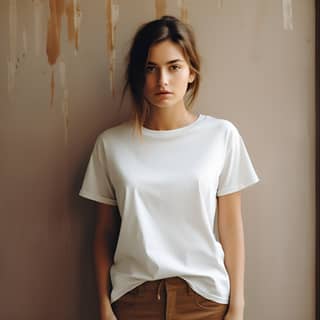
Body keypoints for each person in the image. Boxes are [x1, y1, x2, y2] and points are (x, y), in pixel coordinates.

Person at [79, 15, 260, 320]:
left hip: (205, 301)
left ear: (191, 72)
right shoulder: (111, 144)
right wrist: (103, 306)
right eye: (151, 68)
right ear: (139, 75)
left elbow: (231, 228)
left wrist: (238, 307)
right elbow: (103, 234)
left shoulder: (221, 136)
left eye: (174, 67)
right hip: (134, 300)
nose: (162, 80)